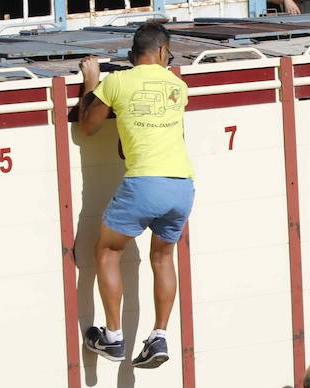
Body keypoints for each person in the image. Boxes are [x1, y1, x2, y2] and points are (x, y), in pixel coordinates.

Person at [78, 22, 193, 369]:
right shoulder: (178, 85)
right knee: (163, 258)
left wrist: (91, 82)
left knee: (108, 251)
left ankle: (112, 337)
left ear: (132, 55)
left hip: (144, 183)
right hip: (182, 186)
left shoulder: (118, 82)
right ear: (162, 51)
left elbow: (88, 125)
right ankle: (159, 334)